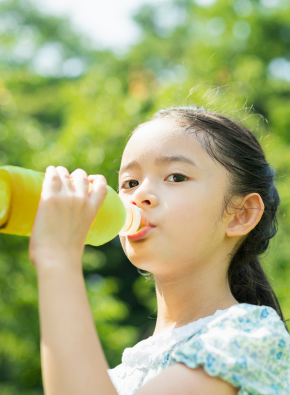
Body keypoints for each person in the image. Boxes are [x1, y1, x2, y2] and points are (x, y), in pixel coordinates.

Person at [28, 106, 290, 395]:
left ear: (241, 214)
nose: (140, 195)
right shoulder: (116, 378)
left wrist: (59, 259)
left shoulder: (249, 338)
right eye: (130, 183)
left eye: (176, 177)